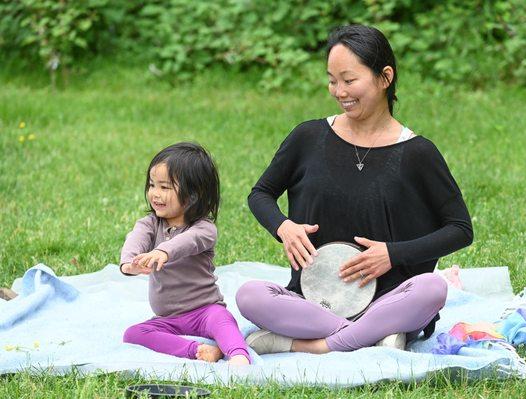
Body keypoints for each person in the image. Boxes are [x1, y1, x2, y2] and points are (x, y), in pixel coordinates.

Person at [235, 25, 473, 355]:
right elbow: (260, 193)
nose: (338, 91)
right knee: (249, 295)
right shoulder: (308, 137)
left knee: (432, 289)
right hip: (314, 301)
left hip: (391, 298)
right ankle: (371, 336)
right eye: (332, 80)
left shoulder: (418, 153)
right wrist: (283, 226)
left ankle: (308, 345)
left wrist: (393, 254)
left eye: (349, 80)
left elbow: (460, 230)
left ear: (385, 77)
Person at [120, 142, 250, 365]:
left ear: (193, 195)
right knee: (133, 334)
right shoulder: (151, 223)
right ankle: (198, 350)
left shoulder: (204, 228)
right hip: (167, 319)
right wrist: (129, 264)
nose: (155, 194)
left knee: (224, 322)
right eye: (152, 185)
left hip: (205, 312)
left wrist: (163, 251)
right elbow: (136, 238)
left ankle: (238, 355)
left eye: (165, 187)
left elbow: (187, 242)